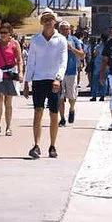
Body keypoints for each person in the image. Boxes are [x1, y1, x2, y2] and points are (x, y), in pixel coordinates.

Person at [23, 8, 67, 159]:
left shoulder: (61, 39)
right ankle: (36, 145)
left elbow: (63, 61)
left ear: (55, 21)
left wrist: (58, 78)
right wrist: (26, 81)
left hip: (54, 80)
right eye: (45, 19)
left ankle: (52, 145)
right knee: (38, 111)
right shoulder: (35, 40)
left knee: (54, 113)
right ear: (42, 22)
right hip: (39, 80)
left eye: (51, 19)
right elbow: (31, 62)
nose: (48, 22)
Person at [0, 22, 23, 137]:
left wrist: (21, 72)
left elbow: (19, 59)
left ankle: (8, 127)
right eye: (1, 33)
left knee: (8, 101)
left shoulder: (14, 44)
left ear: (10, 33)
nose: (3, 35)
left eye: (5, 33)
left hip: (10, 74)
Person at [57, 21, 84, 126]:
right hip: (59, 72)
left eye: (67, 28)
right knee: (60, 97)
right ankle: (62, 118)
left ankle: (72, 109)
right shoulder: (56, 39)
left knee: (71, 96)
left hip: (71, 71)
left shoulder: (74, 40)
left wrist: (71, 48)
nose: (65, 30)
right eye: (63, 28)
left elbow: (82, 55)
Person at [90, 34, 109, 101]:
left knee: (95, 80)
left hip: (98, 65)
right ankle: (102, 96)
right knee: (104, 79)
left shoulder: (98, 46)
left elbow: (95, 53)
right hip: (106, 65)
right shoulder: (109, 46)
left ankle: (94, 96)